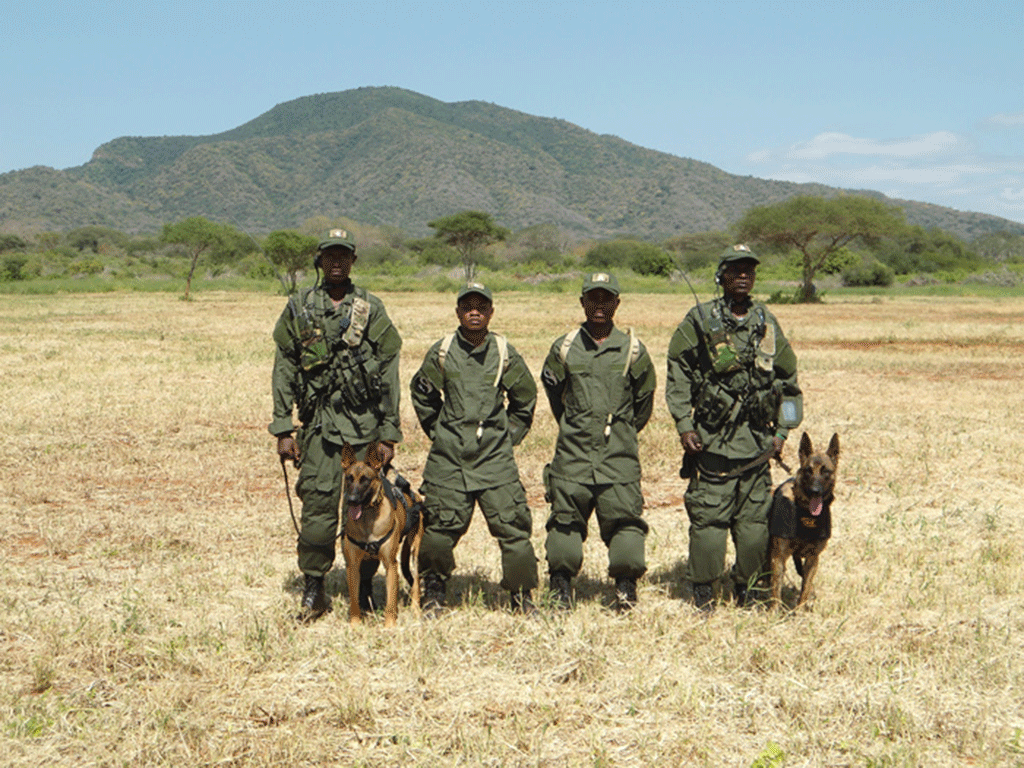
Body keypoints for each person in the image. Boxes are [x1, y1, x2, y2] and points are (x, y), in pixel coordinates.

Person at [270, 228, 403, 622]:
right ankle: (315, 591)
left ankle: (362, 590)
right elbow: (284, 367)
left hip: (364, 430)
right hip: (319, 433)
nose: (337, 262)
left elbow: (390, 368)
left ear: (353, 261)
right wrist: (283, 428)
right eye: (330, 256)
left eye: (344, 255)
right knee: (317, 513)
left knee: (369, 514)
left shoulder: (370, 308)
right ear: (320, 261)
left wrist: (389, 432)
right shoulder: (300, 307)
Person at [665, 244, 802, 612]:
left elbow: (789, 383)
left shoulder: (767, 322)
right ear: (721, 276)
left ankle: (749, 591)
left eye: (749, 270)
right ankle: (704, 592)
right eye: (735, 269)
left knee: (754, 527)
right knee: (709, 524)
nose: (743, 275)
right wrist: (684, 424)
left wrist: (782, 433)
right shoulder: (700, 319)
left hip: (758, 446)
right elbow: (677, 371)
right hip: (711, 446)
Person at [410, 282, 539, 613]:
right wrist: (440, 432)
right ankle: (434, 590)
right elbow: (422, 393)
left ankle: (521, 595)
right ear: (457, 312)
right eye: (467, 306)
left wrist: (506, 437)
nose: (474, 312)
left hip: (495, 458)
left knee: (513, 528)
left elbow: (525, 398)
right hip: (449, 458)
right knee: (438, 527)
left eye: (481, 307)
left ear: (491, 312)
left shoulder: (504, 352)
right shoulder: (443, 351)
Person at [540, 272, 656, 612]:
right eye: (593, 298)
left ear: (617, 304)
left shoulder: (633, 351)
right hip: (572, 456)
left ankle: (624, 588)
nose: (599, 306)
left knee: (627, 530)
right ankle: (560, 586)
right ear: (582, 302)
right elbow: (555, 396)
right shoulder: (563, 349)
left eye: (606, 299)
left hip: (618, 458)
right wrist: (578, 424)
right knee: (564, 526)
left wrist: (618, 432)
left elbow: (643, 405)